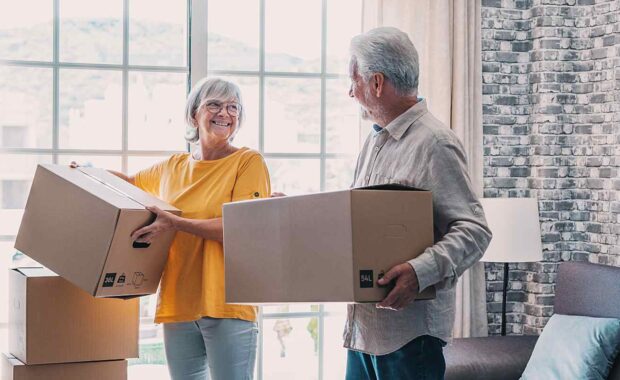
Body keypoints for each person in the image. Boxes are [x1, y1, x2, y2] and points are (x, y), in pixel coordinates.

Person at [73, 77, 270, 380]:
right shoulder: (173, 167)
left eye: (233, 107)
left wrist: (176, 223)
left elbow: (244, 229)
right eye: (214, 105)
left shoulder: (248, 162)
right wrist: (86, 173)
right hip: (179, 304)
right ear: (194, 114)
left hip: (228, 305)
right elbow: (129, 185)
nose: (225, 114)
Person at [343, 27, 492, 379]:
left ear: (377, 83)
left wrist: (418, 271)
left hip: (409, 339)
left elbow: (474, 231)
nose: (351, 92)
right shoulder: (374, 141)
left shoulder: (435, 143)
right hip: (364, 332)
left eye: (354, 81)